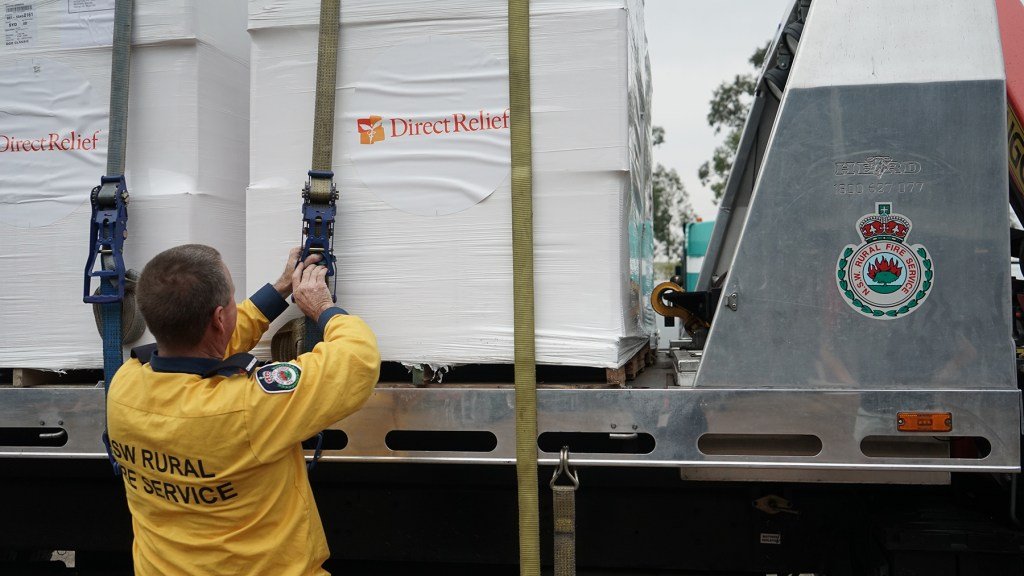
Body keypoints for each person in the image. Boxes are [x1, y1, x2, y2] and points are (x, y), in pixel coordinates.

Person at [105, 244, 380, 576]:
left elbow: (204, 347)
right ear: (220, 318)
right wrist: (323, 307)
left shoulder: (125, 385)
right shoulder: (246, 409)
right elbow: (356, 362)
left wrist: (279, 290)